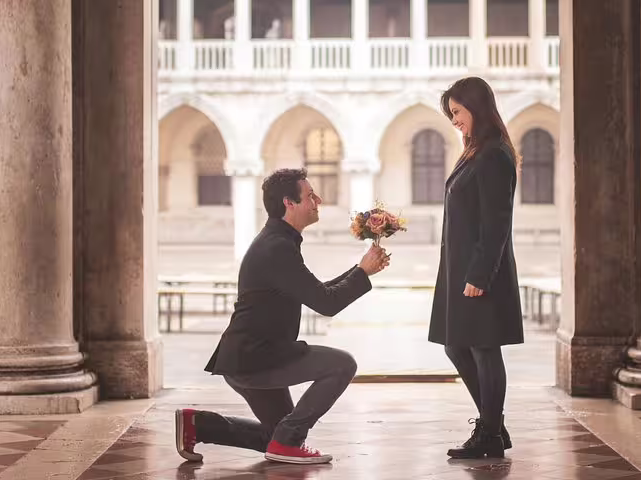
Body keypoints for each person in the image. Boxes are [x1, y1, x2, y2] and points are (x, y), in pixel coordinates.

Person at [175, 168, 390, 465]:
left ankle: (198, 424)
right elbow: (326, 303)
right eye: (310, 195)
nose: (318, 199)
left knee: (275, 437)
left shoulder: (278, 242)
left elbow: (317, 293)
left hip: (247, 356)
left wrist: (361, 270)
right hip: (256, 357)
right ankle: (287, 440)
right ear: (289, 203)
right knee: (341, 365)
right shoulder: (277, 247)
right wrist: (363, 271)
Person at [428, 77, 524, 459]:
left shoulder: (494, 155)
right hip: (462, 270)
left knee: (484, 349)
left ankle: (489, 433)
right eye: (450, 114)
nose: (454, 120)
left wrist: (480, 275)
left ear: (476, 107)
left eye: (457, 112)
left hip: (480, 273)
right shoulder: (476, 151)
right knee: (456, 346)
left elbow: (496, 222)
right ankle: (493, 426)